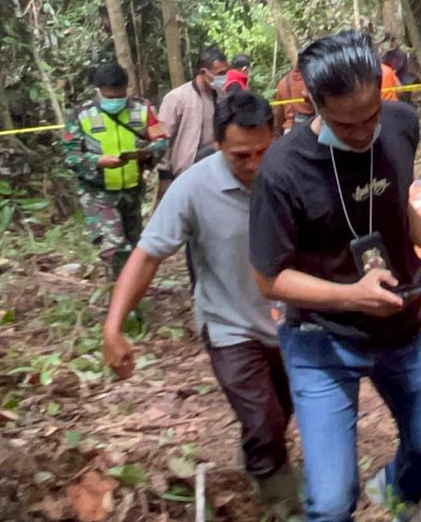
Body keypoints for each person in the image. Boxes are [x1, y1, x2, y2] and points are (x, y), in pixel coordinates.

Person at [249, 30, 421, 522]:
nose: (363, 133)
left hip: (403, 328)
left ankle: (390, 499)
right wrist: (349, 295)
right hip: (322, 341)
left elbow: (396, 201)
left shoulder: (399, 125)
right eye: (346, 123)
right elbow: (270, 280)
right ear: (313, 104)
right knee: (332, 503)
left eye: (371, 115)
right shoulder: (282, 169)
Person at [101, 92, 302, 520]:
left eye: (263, 151)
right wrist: (113, 327)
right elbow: (148, 254)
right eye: (240, 156)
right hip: (228, 324)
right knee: (264, 420)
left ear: (277, 135)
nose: (254, 165)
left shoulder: (295, 172)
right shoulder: (192, 187)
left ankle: (257, 460)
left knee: (282, 409)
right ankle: (284, 505)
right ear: (216, 145)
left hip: (291, 322)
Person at [62, 62, 169, 284]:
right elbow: (70, 156)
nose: (115, 100)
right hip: (98, 193)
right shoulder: (80, 115)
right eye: (109, 96)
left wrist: (146, 152)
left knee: (134, 247)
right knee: (115, 249)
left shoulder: (143, 109)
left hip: (131, 190)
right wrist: (97, 161)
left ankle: (131, 295)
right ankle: (121, 300)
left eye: (119, 94)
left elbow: (161, 139)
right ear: (97, 91)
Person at [157, 48, 228, 198]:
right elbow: (162, 138)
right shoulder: (177, 98)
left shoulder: (222, 97)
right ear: (203, 72)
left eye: (225, 72)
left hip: (213, 171)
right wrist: (164, 174)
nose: (224, 77)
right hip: (182, 172)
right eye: (220, 74)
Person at [273, 65, 315, 135]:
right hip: (309, 129)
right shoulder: (311, 81)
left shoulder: (283, 82)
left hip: (288, 130)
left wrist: (280, 132)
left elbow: (279, 113)